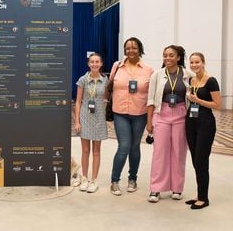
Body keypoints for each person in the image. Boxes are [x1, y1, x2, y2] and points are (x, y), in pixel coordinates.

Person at [147, 45, 193, 203]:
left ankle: (177, 188)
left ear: (178, 57)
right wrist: (149, 122)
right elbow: (151, 99)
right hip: (161, 114)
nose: (167, 58)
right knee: (160, 152)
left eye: (171, 55)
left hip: (181, 115)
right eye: (165, 55)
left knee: (179, 152)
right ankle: (155, 189)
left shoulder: (188, 75)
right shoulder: (157, 75)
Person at [109, 37, 153, 196]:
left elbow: (152, 95)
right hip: (120, 112)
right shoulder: (117, 66)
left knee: (135, 147)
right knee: (124, 146)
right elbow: (109, 86)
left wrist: (151, 118)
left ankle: (132, 178)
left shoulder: (148, 69)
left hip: (140, 113)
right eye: (128, 48)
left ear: (140, 49)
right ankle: (114, 180)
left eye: (134, 48)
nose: (131, 51)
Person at [185, 52, 221, 210]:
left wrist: (197, 100)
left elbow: (217, 104)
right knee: (195, 160)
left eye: (197, 62)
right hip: (191, 122)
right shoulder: (192, 80)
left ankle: (203, 198)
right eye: (192, 62)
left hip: (205, 123)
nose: (194, 65)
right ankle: (199, 194)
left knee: (201, 160)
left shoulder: (211, 81)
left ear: (203, 62)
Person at [74, 53, 108, 193]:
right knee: (85, 150)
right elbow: (77, 102)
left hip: (99, 118)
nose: (94, 64)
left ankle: (94, 180)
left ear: (101, 64)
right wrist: (77, 121)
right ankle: (85, 178)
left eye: (97, 62)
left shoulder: (105, 80)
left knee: (96, 151)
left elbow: (106, 98)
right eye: (92, 62)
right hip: (85, 118)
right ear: (88, 64)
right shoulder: (83, 80)